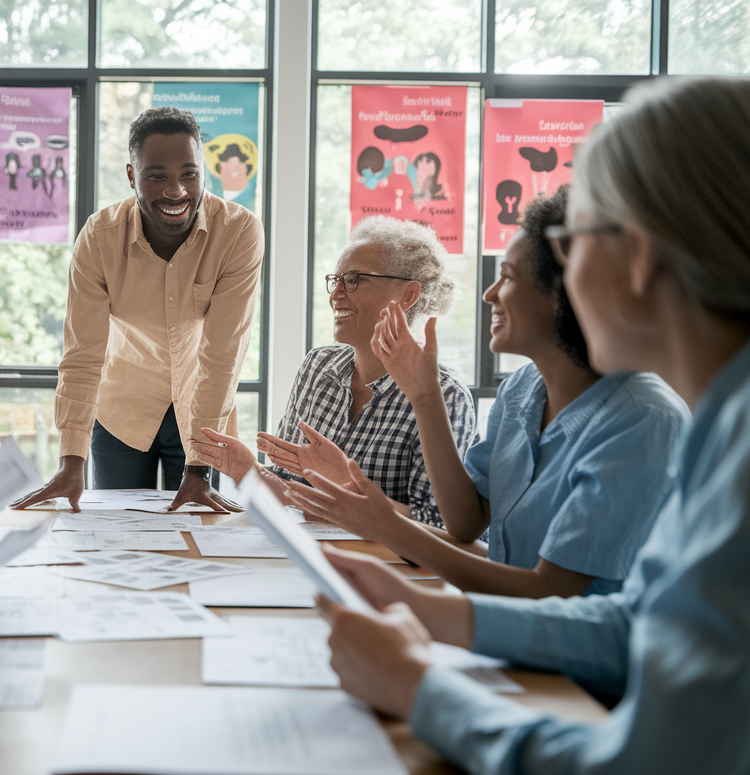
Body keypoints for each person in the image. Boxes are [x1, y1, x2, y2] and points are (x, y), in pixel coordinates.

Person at [314, 75, 750, 775]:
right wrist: (432, 610)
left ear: (638, 251)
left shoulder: (689, 431)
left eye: (572, 241)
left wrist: (417, 687)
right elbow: (633, 623)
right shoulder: (722, 424)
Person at [288, 188, 688, 598]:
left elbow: (549, 593)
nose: (490, 294)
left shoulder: (645, 418)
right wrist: (423, 394)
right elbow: (466, 522)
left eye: (508, 277)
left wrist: (387, 528)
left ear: (565, 291)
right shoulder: (521, 389)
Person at [13, 106, 263, 512]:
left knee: (197, 537)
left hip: (201, 415)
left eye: (189, 173)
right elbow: (83, 355)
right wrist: (70, 461)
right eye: (157, 176)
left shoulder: (238, 232)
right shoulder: (99, 237)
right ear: (132, 176)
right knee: (116, 533)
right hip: (121, 414)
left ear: (204, 170)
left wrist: (199, 469)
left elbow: (222, 355)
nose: (177, 191)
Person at [192, 216, 477, 529]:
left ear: (407, 295)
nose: (336, 294)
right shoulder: (317, 366)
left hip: (388, 570)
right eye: (336, 280)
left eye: (354, 280)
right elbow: (289, 489)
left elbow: (440, 528)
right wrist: (249, 471)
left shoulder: (445, 395)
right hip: (313, 554)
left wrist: (347, 484)